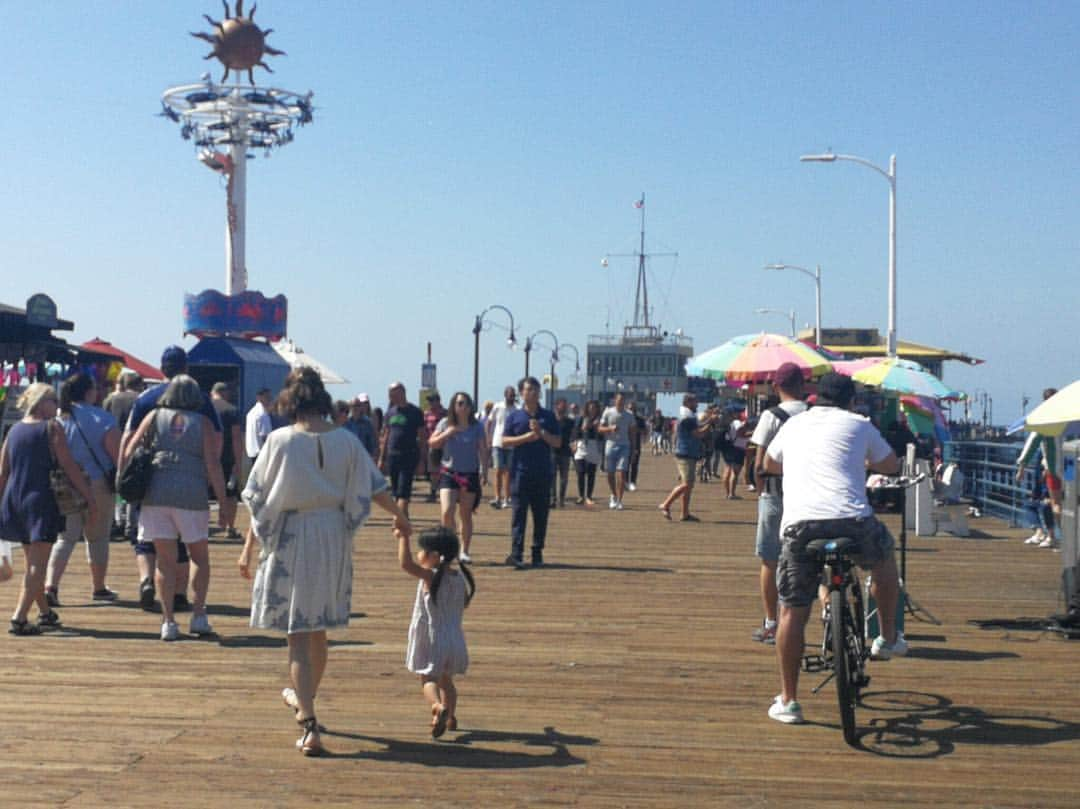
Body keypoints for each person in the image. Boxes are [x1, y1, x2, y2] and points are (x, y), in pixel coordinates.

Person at [237, 367, 411, 756]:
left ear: (290, 402)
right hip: (332, 535)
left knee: (297, 634)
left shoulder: (280, 441)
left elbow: (257, 498)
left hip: (292, 535)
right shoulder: (347, 441)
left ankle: (309, 721)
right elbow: (376, 486)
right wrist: (401, 517)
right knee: (318, 630)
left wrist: (248, 546)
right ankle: (305, 701)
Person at [762, 372, 907, 725]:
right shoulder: (860, 424)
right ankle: (887, 637)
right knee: (885, 563)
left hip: (799, 527)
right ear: (851, 400)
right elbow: (891, 465)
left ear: (815, 397)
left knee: (792, 612)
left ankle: (789, 700)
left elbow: (768, 464)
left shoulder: (794, 425)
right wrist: (859, 461)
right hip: (852, 522)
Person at [123, 375, 231, 641]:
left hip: (157, 493)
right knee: (199, 557)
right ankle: (198, 615)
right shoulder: (203, 423)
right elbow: (213, 465)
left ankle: (168, 621)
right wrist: (224, 502)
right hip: (191, 494)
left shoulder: (153, 416)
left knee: (164, 561)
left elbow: (129, 448)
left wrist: (124, 477)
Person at [2, 383, 95, 635]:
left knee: (33, 559)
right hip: (40, 500)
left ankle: (44, 613)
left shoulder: (14, 430)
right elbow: (69, 467)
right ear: (42, 402)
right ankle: (19, 618)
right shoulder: (52, 428)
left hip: (15, 499)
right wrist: (89, 496)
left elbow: (3, 471)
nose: (57, 405)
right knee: (38, 564)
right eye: (53, 400)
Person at [45, 373, 120, 605]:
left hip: (64, 483)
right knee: (97, 537)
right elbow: (116, 455)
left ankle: (51, 586)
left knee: (65, 538)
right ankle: (98, 587)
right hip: (97, 483)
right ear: (90, 391)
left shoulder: (58, 419)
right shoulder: (103, 419)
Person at [747, 362, 807, 644]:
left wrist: (762, 493)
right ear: (803, 385)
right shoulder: (813, 415)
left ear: (775, 387)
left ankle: (772, 621)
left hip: (775, 494)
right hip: (807, 497)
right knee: (808, 559)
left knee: (770, 559)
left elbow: (759, 465)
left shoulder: (771, 416)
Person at [398, 526, 475, 739]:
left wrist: (403, 537)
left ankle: (437, 706)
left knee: (428, 678)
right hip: (455, 640)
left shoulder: (430, 577)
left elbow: (405, 564)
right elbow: (464, 604)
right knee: (447, 682)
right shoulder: (460, 578)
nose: (418, 554)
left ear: (433, 556)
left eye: (421, 550)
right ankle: (450, 718)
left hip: (434, 638)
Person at [501, 377, 560, 568]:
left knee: (540, 514)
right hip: (520, 472)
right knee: (518, 514)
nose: (532, 393)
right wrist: (526, 437)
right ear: (521, 393)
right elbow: (504, 441)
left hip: (542, 472)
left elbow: (558, 442)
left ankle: (537, 551)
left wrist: (541, 433)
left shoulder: (548, 417)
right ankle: (517, 552)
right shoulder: (514, 417)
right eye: (528, 390)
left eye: (535, 389)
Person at [428, 392, 486, 563]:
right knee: (447, 511)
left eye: (466, 403)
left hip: (469, 473)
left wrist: (484, 470)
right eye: (459, 403)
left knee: (465, 514)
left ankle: (464, 551)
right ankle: (448, 547)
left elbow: (483, 449)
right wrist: (449, 432)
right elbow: (432, 442)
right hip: (448, 472)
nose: (463, 407)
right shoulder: (445, 423)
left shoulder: (477, 427)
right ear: (454, 405)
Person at [659, 393, 717, 522]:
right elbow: (699, 434)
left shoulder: (686, 415)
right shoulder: (688, 417)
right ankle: (666, 504)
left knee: (688, 485)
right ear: (688, 403)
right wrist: (710, 423)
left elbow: (696, 428)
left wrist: (708, 422)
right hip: (686, 453)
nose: (697, 405)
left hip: (686, 451)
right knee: (687, 484)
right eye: (695, 402)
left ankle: (684, 513)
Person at [1015, 388, 1061, 549]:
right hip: (1073, 466)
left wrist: (1021, 465)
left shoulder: (1045, 419)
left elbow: (1032, 443)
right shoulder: (1069, 415)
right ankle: (1061, 535)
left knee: (1055, 504)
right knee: (1069, 503)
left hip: (1053, 469)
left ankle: (1057, 536)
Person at [377, 382, 425, 519]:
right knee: (396, 492)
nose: (392, 398)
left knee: (404, 490)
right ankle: (403, 516)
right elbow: (385, 436)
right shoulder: (390, 413)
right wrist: (382, 458)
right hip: (393, 456)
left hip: (409, 455)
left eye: (394, 395)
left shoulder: (415, 412)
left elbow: (422, 437)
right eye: (390, 395)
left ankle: (398, 519)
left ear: (403, 393)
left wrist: (422, 460)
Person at [211, 381, 244, 540]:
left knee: (203, 494)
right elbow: (237, 437)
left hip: (207, 458)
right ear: (225, 393)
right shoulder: (231, 410)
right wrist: (239, 463)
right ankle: (230, 527)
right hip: (227, 459)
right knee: (230, 494)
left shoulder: (204, 408)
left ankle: (202, 528)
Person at [598, 391, 636, 510]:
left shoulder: (629, 414)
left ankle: (619, 500)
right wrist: (610, 428)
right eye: (619, 400)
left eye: (622, 400)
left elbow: (632, 432)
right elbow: (599, 428)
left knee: (621, 472)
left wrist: (634, 449)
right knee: (610, 473)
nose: (620, 402)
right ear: (615, 400)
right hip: (610, 445)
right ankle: (613, 495)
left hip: (624, 445)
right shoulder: (608, 412)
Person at [487, 386, 517, 509]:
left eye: (513, 395)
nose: (512, 397)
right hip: (497, 442)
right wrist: (488, 437)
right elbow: (489, 422)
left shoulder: (517, 409)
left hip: (511, 443)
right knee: (498, 470)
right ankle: (497, 497)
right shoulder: (497, 406)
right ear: (505, 395)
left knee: (508, 472)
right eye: (510, 394)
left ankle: (507, 498)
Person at [573, 400, 602, 506]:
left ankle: (589, 496)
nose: (592, 409)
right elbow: (576, 431)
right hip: (581, 445)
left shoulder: (600, 419)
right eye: (590, 407)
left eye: (594, 407)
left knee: (591, 473)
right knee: (580, 472)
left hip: (594, 445)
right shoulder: (581, 418)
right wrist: (573, 443)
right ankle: (581, 496)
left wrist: (597, 427)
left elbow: (601, 433)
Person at [550, 398, 575, 508]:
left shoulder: (570, 421)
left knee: (564, 478)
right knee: (552, 477)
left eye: (565, 406)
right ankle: (552, 499)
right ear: (556, 406)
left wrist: (574, 444)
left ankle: (562, 499)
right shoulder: (551, 420)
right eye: (562, 405)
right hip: (552, 452)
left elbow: (573, 435)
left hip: (565, 452)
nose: (564, 408)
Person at [423, 393, 447, 503]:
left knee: (445, 470)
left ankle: (446, 491)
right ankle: (433, 492)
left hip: (445, 445)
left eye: (432, 401)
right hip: (432, 445)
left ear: (438, 401)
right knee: (433, 471)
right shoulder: (427, 414)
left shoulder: (445, 414)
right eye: (429, 401)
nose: (430, 403)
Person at [245, 387, 274, 464]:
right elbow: (265, 437)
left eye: (270, 397)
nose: (270, 399)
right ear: (259, 397)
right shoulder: (262, 414)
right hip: (262, 454)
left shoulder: (251, 412)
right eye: (267, 397)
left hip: (252, 453)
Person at [628, 403, 648, 492]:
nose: (631, 410)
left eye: (632, 409)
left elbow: (645, 431)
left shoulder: (639, 419)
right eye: (629, 409)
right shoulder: (624, 418)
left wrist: (637, 430)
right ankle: (625, 482)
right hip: (624, 443)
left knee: (634, 464)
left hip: (636, 444)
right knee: (624, 465)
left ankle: (632, 482)